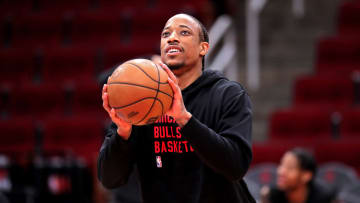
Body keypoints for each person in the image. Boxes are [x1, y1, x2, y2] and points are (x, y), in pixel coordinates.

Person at [98, 13, 255, 203]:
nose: (172, 37)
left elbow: (236, 166)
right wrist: (122, 133)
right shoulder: (141, 102)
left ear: (203, 48)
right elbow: (110, 179)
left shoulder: (228, 94)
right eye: (166, 34)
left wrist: (184, 119)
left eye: (184, 32)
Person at [260, 148, 337, 203]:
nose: (281, 171)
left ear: (306, 175)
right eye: (281, 165)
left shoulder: (324, 197)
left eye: (289, 168)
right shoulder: (272, 195)